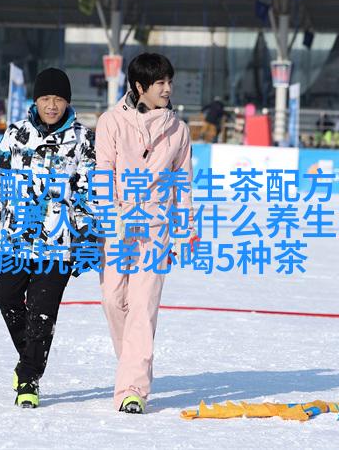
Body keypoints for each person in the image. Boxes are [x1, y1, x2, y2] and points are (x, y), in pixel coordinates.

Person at [0, 68, 96, 409]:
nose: (51, 106)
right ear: (36, 101)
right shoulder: (16, 135)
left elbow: (87, 192)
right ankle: (30, 358)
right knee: (5, 294)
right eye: (45, 99)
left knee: (42, 312)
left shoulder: (83, 139)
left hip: (59, 241)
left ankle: (28, 379)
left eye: (58, 99)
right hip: (17, 237)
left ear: (67, 102)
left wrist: (86, 234)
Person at [95, 53, 197, 414]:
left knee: (142, 306)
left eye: (170, 82)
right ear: (140, 87)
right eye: (160, 83)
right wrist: (112, 217)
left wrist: (186, 228)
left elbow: (182, 183)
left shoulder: (178, 130)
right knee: (112, 300)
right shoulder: (110, 122)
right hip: (118, 227)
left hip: (156, 229)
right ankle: (132, 365)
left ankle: (133, 389)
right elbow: (103, 172)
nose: (168, 89)